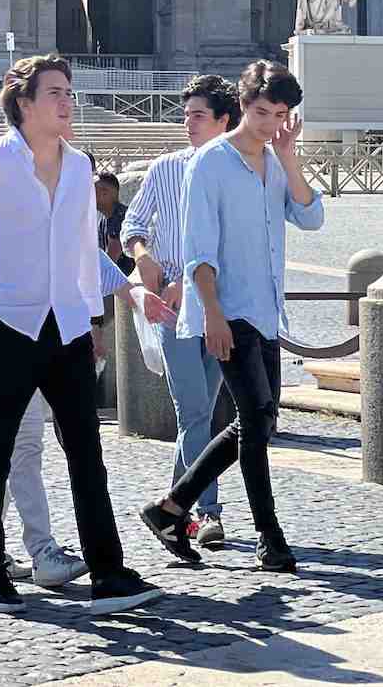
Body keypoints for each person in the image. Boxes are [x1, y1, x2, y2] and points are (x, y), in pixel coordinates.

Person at [0, 54, 165, 616]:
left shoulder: (79, 167)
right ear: (23, 103)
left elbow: (80, 250)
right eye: (54, 92)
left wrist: (128, 290)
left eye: (69, 91)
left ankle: (108, 573)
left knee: (86, 453)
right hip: (7, 324)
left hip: (68, 328)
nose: (67, 101)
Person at [140, 60, 324, 574]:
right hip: (226, 309)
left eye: (281, 114)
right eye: (263, 111)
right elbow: (198, 248)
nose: (270, 122)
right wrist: (213, 316)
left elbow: (311, 215)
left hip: (266, 312)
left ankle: (170, 508)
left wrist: (290, 161)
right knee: (255, 418)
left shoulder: (274, 159)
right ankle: (270, 537)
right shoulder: (211, 163)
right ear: (243, 107)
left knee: (258, 419)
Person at [123, 74, 241, 551]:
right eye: (185, 114)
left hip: (219, 305)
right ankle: (205, 513)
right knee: (193, 412)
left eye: (198, 116)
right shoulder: (164, 168)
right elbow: (133, 222)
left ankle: (173, 509)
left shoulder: (237, 172)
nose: (187, 123)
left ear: (223, 121)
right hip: (173, 311)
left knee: (204, 413)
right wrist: (142, 255)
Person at [93, 172, 135, 276]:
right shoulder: (104, 218)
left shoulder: (121, 217)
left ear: (105, 193)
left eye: (92, 191)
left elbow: (111, 259)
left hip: (124, 284)